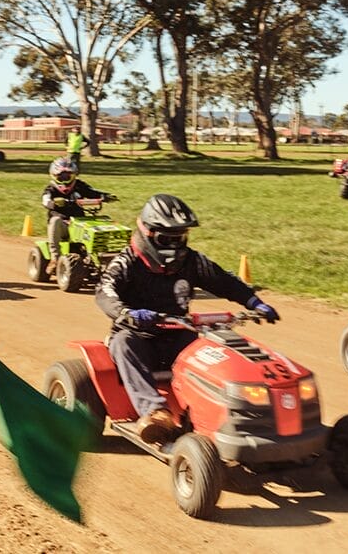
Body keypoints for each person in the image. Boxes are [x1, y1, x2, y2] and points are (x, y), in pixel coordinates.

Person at [96, 194, 279, 444]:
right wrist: (125, 313)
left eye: (180, 237)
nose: (175, 245)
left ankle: (238, 407)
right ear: (148, 233)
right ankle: (155, 413)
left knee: (214, 348)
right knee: (124, 344)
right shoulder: (127, 261)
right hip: (138, 335)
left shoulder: (192, 261)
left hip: (178, 332)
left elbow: (224, 280)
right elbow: (105, 291)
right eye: (168, 238)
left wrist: (254, 302)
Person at [42, 156, 113, 275]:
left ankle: (102, 257)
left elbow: (92, 192)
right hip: (63, 225)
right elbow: (45, 199)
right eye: (61, 176)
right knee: (55, 221)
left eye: (68, 176)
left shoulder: (79, 185)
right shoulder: (51, 189)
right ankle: (55, 259)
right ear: (54, 176)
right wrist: (53, 203)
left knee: (101, 223)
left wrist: (104, 196)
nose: (65, 179)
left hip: (79, 222)